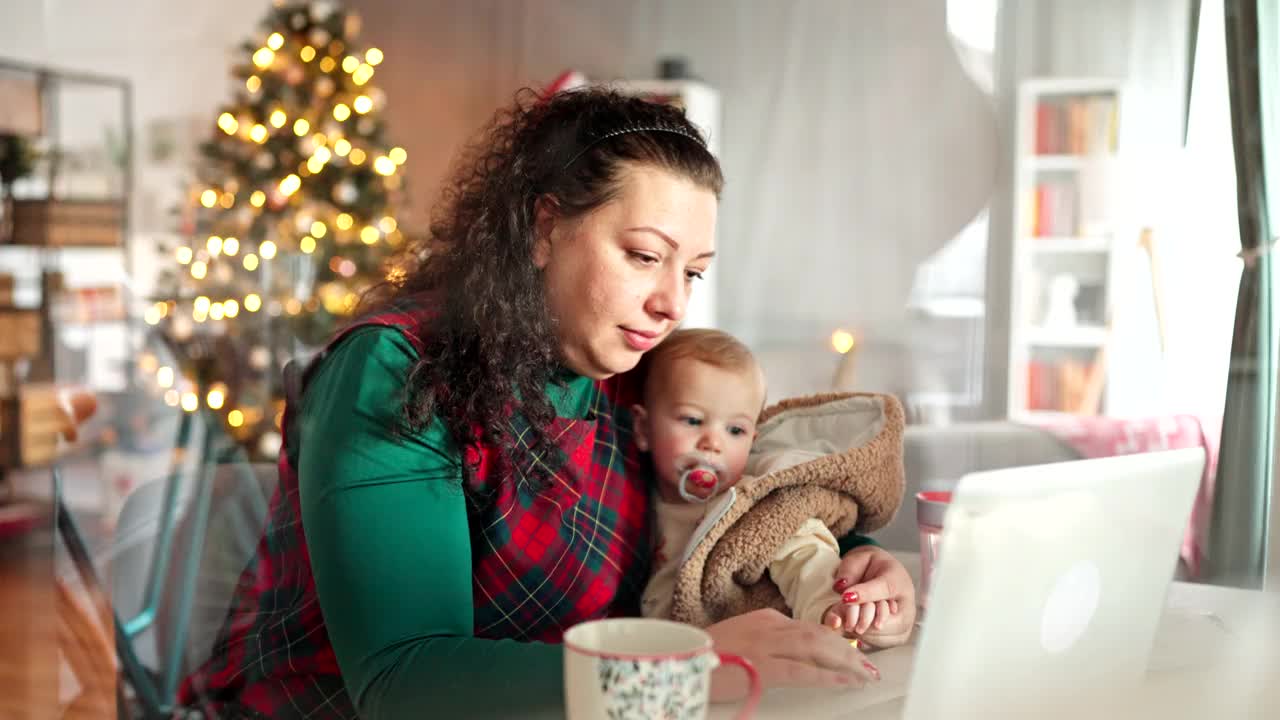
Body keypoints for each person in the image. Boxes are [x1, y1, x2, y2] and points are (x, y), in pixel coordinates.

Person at [179, 87, 916, 720]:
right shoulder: (395, 369)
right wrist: (691, 668)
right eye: (643, 256)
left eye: (692, 272)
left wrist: (857, 569)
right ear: (543, 228)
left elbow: (739, 503)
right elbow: (401, 681)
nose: (669, 304)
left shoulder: (639, 373)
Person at [635, 328, 903, 656]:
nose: (713, 443)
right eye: (692, 420)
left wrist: (830, 608)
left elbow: (804, 558)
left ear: (753, 439)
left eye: (735, 430)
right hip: (652, 664)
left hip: (736, 664)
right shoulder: (630, 494)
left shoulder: (755, 510)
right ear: (643, 429)